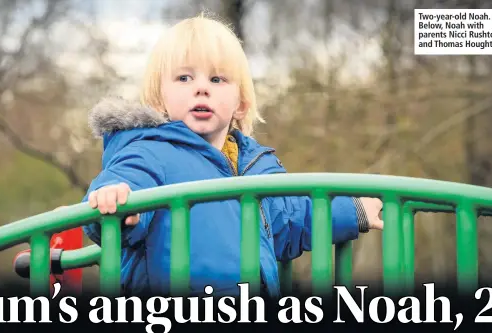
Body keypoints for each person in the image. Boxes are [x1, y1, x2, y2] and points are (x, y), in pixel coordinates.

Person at [81, 13, 384, 299]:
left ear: (240, 103)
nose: (201, 88)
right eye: (184, 78)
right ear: (160, 99)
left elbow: (296, 216)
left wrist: (354, 211)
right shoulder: (150, 151)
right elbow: (123, 182)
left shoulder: (256, 168)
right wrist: (116, 200)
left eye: (217, 80)